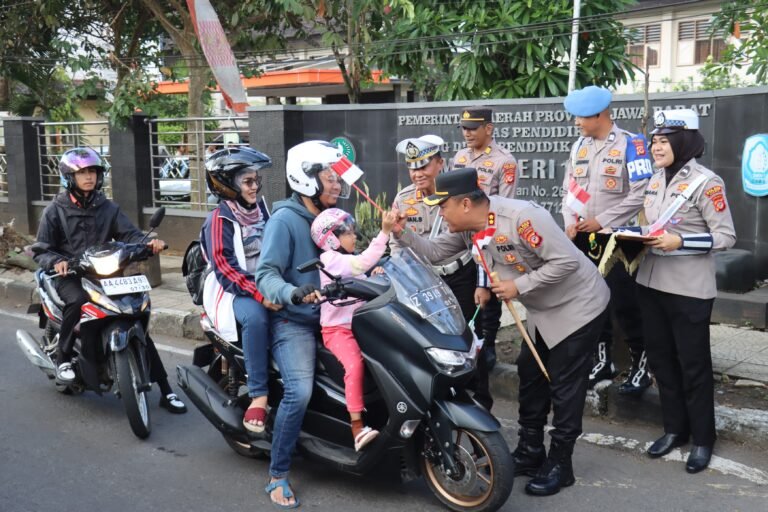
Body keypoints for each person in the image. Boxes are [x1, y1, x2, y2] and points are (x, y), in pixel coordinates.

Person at [393, 167, 609, 497]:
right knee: (531, 374)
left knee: (565, 386)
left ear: (465, 204)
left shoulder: (523, 218)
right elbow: (435, 252)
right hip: (542, 310)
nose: (439, 213)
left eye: (443, 206)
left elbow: (565, 262)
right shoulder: (467, 228)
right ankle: (530, 450)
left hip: (577, 307)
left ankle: (560, 464)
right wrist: (400, 233)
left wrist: (517, 285)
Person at [33, 147, 186, 413]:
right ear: (70, 177)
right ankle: (64, 359)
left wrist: (150, 243)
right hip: (70, 274)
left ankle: (165, 388)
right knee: (78, 301)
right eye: (82, 172)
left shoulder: (107, 207)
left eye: (92, 171)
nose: (89, 177)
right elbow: (41, 248)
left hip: (104, 273)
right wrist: (56, 262)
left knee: (134, 314)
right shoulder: (55, 210)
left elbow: (131, 235)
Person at [632, 109, 735, 473]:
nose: (656, 147)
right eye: (654, 141)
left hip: (690, 289)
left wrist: (681, 241)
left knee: (693, 365)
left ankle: (703, 439)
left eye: (664, 140)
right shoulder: (655, 179)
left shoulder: (707, 183)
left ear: (684, 141)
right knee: (662, 361)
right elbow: (647, 223)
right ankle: (674, 429)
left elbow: (725, 237)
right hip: (651, 283)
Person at [254, 140, 349, 508]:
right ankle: (278, 474)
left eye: (338, 177)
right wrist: (294, 292)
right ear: (306, 179)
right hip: (297, 321)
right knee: (300, 392)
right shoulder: (284, 221)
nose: (337, 185)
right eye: (330, 177)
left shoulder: (334, 215)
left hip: (336, 315)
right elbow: (266, 274)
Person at [561, 85, 653, 394]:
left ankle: (642, 363)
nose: (577, 123)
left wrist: (602, 220)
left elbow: (640, 192)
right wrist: (570, 221)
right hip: (584, 238)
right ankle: (603, 361)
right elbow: (570, 189)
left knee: (626, 304)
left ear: (600, 115)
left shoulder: (632, 144)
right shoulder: (579, 147)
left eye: (581, 118)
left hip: (618, 238)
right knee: (592, 301)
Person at [392, 135, 493, 410]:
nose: (417, 173)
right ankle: (443, 402)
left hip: (461, 277)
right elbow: (396, 243)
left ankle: (480, 403)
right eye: (412, 168)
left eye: (424, 166)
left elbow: (481, 241)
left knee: (469, 340)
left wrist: (482, 284)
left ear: (440, 164)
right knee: (433, 342)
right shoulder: (403, 199)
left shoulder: (458, 193)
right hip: (424, 282)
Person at [199, 147, 280, 433]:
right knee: (256, 318)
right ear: (227, 185)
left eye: (256, 180)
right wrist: (260, 293)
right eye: (248, 181)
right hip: (233, 290)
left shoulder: (263, 210)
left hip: (268, 281)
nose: (255, 186)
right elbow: (225, 269)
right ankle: (259, 394)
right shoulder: (218, 220)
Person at [311, 207, 397, 451]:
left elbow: (362, 272)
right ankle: (357, 427)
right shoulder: (330, 260)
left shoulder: (345, 259)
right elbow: (360, 265)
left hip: (360, 325)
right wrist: (384, 232)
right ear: (331, 239)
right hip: (338, 330)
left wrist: (375, 273)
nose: (355, 236)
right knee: (354, 366)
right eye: (349, 233)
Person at [451, 107, 518, 370]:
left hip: (488, 231)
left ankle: (489, 343)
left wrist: (488, 234)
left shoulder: (504, 161)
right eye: (464, 128)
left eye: (473, 128)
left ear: (488, 129)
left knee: (490, 290)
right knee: (467, 292)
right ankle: (470, 341)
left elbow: (505, 203)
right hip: (460, 235)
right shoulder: (460, 157)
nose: (467, 133)